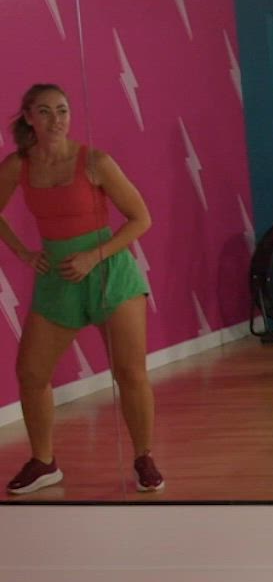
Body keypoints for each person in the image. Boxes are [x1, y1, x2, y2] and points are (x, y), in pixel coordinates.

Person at [1, 83, 163, 494]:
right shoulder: (18, 165)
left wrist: (94, 256)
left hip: (111, 273)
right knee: (31, 373)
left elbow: (141, 218)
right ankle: (44, 462)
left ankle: (144, 457)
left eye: (62, 110)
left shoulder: (95, 161)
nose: (55, 119)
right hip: (57, 278)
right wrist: (23, 253)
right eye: (44, 111)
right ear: (29, 118)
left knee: (130, 372)